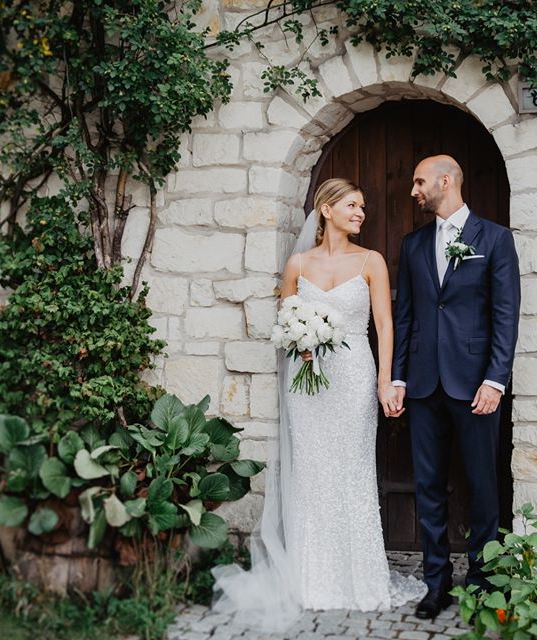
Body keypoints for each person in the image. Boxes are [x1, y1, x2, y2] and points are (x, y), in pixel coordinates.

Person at [211, 178, 425, 630]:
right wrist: (301, 344)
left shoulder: (371, 261)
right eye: (353, 205)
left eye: (363, 207)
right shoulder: (297, 263)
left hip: (354, 376)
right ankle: (308, 579)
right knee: (310, 471)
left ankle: (360, 579)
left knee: (352, 469)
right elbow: (286, 321)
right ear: (326, 210)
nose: (361, 213)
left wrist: (385, 382)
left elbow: (384, 326)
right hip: (306, 382)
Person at [391, 155, 520, 619]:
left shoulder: (496, 239)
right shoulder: (412, 245)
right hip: (424, 385)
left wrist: (495, 380)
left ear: (445, 181)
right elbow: (405, 317)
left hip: (476, 386)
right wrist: (398, 377)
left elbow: (506, 314)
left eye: (419, 182)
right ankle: (436, 582)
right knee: (428, 486)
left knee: (483, 487)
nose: (414, 191)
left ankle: (483, 581)